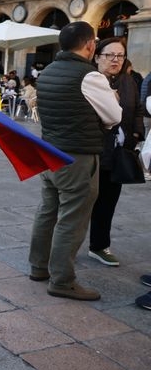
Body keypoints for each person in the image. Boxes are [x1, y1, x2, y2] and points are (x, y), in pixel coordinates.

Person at [28, 22, 122, 301]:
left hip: (49, 152)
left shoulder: (46, 73)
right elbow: (114, 116)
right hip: (78, 156)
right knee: (72, 219)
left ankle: (38, 267)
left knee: (47, 211)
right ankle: (62, 280)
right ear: (90, 45)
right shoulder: (89, 76)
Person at [87, 39, 144, 267]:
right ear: (98, 57)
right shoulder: (89, 80)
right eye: (110, 55)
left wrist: (137, 134)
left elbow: (138, 109)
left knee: (108, 201)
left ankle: (99, 246)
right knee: (83, 202)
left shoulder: (128, 81)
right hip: (93, 150)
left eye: (120, 56)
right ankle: (65, 247)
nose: (115, 60)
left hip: (119, 152)